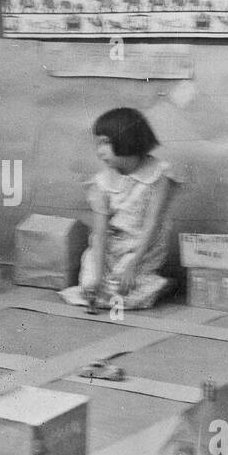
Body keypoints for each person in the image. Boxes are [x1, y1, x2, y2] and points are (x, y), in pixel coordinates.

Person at [60, 107, 179, 310]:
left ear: (126, 139)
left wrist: (133, 264)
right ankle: (101, 287)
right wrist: (96, 276)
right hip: (110, 245)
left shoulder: (159, 175)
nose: (100, 152)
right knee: (91, 285)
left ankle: (159, 284)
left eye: (105, 142)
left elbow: (152, 224)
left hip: (141, 247)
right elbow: (99, 233)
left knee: (125, 288)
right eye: (98, 144)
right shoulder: (102, 182)